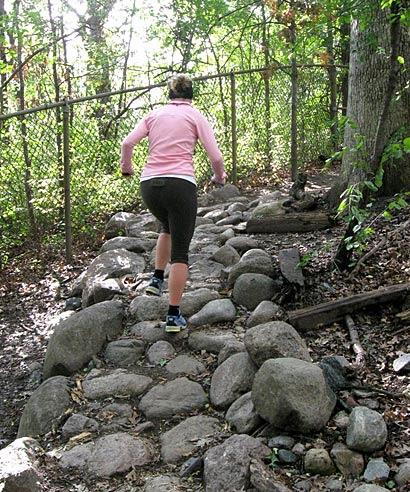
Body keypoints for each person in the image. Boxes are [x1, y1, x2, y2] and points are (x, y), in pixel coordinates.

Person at [120, 74, 226, 333]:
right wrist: (219, 178)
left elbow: (127, 143)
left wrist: (127, 169)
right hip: (180, 185)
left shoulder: (154, 115)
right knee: (180, 253)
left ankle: (156, 279)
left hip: (149, 186)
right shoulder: (195, 116)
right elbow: (215, 156)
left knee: (166, 227)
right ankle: (173, 315)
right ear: (191, 94)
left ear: (170, 94)